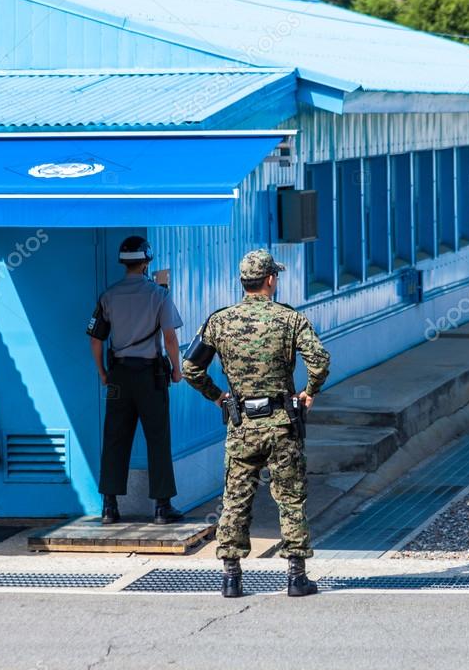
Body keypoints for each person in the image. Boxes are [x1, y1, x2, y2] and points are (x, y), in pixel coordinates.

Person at [182, 249, 330, 598]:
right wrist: (309, 393)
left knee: (235, 498)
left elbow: (190, 368)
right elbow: (320, 360)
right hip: (282, 424)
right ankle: (296, 577)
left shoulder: (219, 321)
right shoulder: (290, 320)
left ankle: (231, 578)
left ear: (243, 282)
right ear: (270, 280)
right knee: (290, 498)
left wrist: (218, 396)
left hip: (243, 424)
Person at [87, 235, 184, 526]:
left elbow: (95, 340)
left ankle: (109, 507)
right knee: (157, 437)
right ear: (146, 261)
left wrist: (103, 373)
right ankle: (161, 508)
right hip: (150, 375)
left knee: (115, 437)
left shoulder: (108, 295)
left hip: (118, 375)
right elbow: (169, 337)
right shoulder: (159, 295)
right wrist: (177, 369)